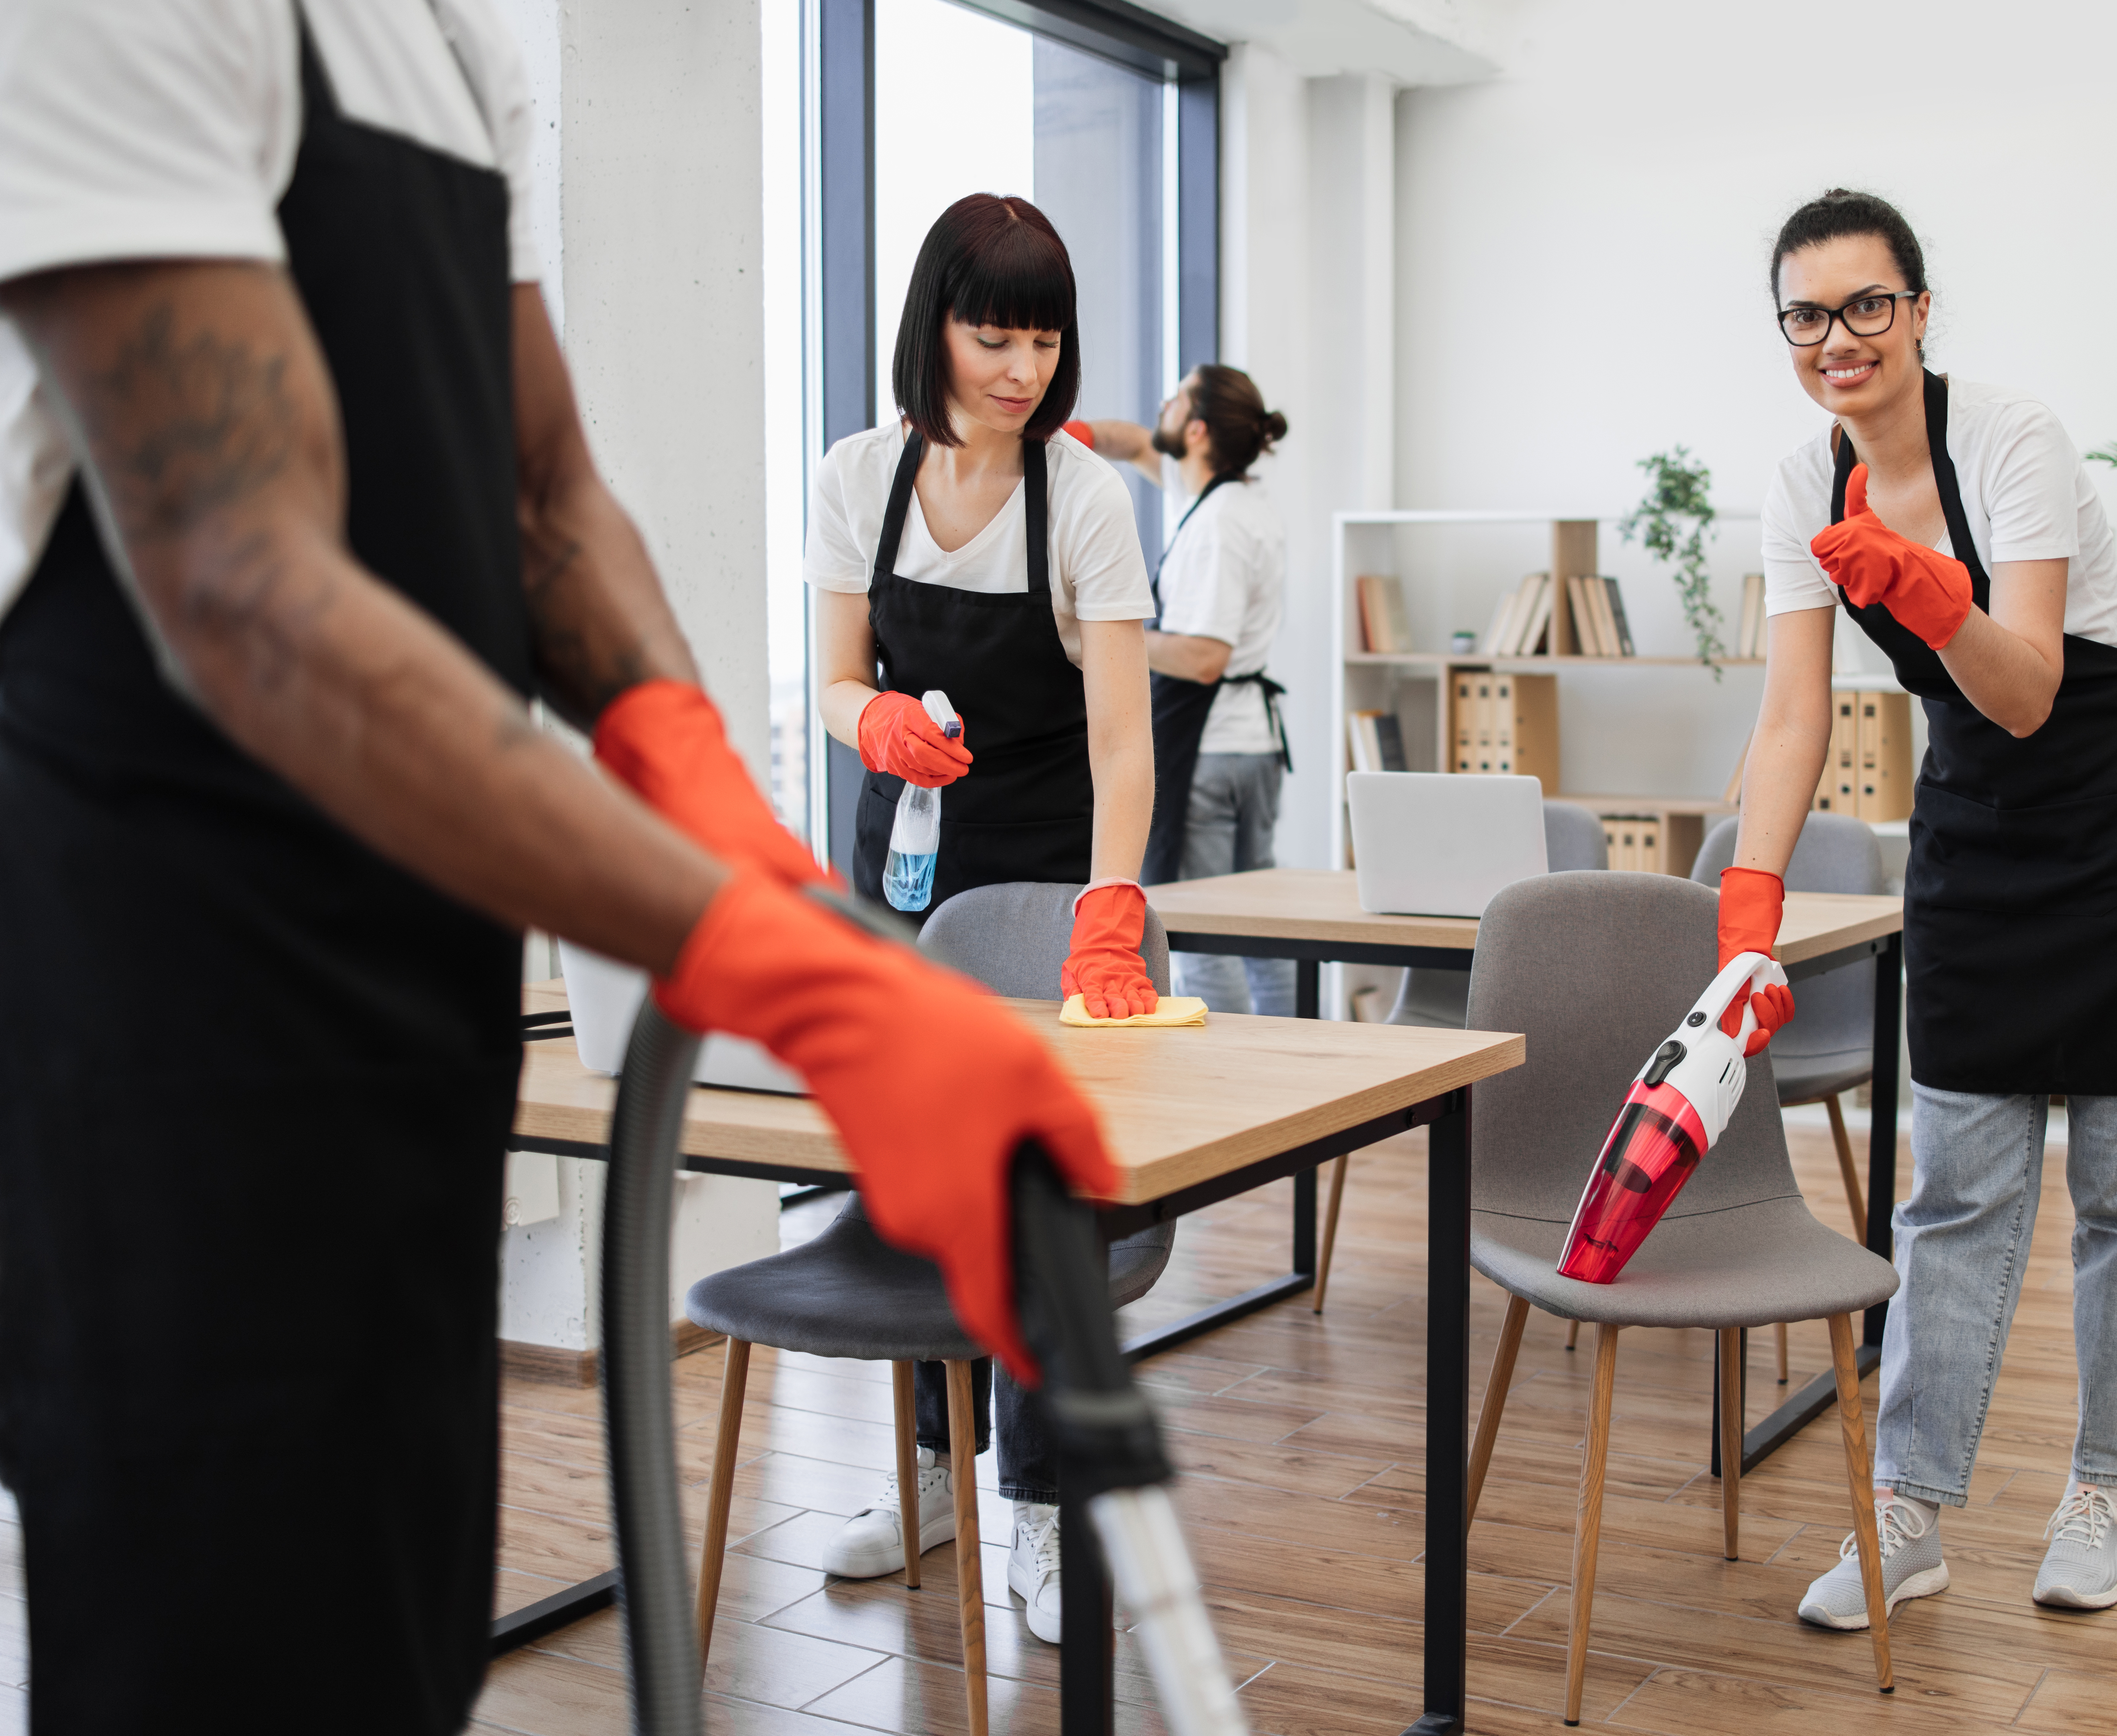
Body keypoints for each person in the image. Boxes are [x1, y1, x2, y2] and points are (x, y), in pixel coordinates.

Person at [0, 6, 1111, 1728]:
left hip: (409, 961)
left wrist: (709, 795)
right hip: (159, 996)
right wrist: (786, 960)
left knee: (390, 1615)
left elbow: (545, 497)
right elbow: (238, 580)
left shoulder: (450, 42)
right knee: (207, 1642)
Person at [1720, 189, 2117, 1633]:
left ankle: (2098, 1495)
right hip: (1976, 827)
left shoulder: (2010, 439)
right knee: (1951, 1192)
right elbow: (1789, 722)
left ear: (1919, 309)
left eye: (1868, 306)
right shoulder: (1794, 482)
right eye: (1808, 315)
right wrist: (1747, 904)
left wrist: (1920, 583)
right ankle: (1909, 1511)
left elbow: (2025, 687)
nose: (1840, 340)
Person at [804, 192, 1158, 1644]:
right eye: (990, 333)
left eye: (1043, 337)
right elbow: (833, 682)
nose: (1020, 367)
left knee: (1034, 1193)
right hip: (902, 859)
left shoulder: (1081, 496)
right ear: (932, 330)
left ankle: (1040, 1504)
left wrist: (1111, 909)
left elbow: (1126, 739)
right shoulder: (857, 477)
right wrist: (874, 722)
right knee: (908, 1175)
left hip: (1041, 876)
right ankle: (934, 1475)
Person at [1086, 365, 1295, 1015]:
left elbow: (1204, 657)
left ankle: (1240, 1083)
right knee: (1262, 935)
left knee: (1205, 937)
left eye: (1174, 398)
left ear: (1198, 428)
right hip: (1250, 748)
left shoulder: (1215, 527)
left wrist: (1099, 638)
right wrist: (1055, 434)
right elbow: (1130, 441)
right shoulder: (1220, 499)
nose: (1161, 404)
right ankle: (1289, 1079)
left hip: (1214, 756)